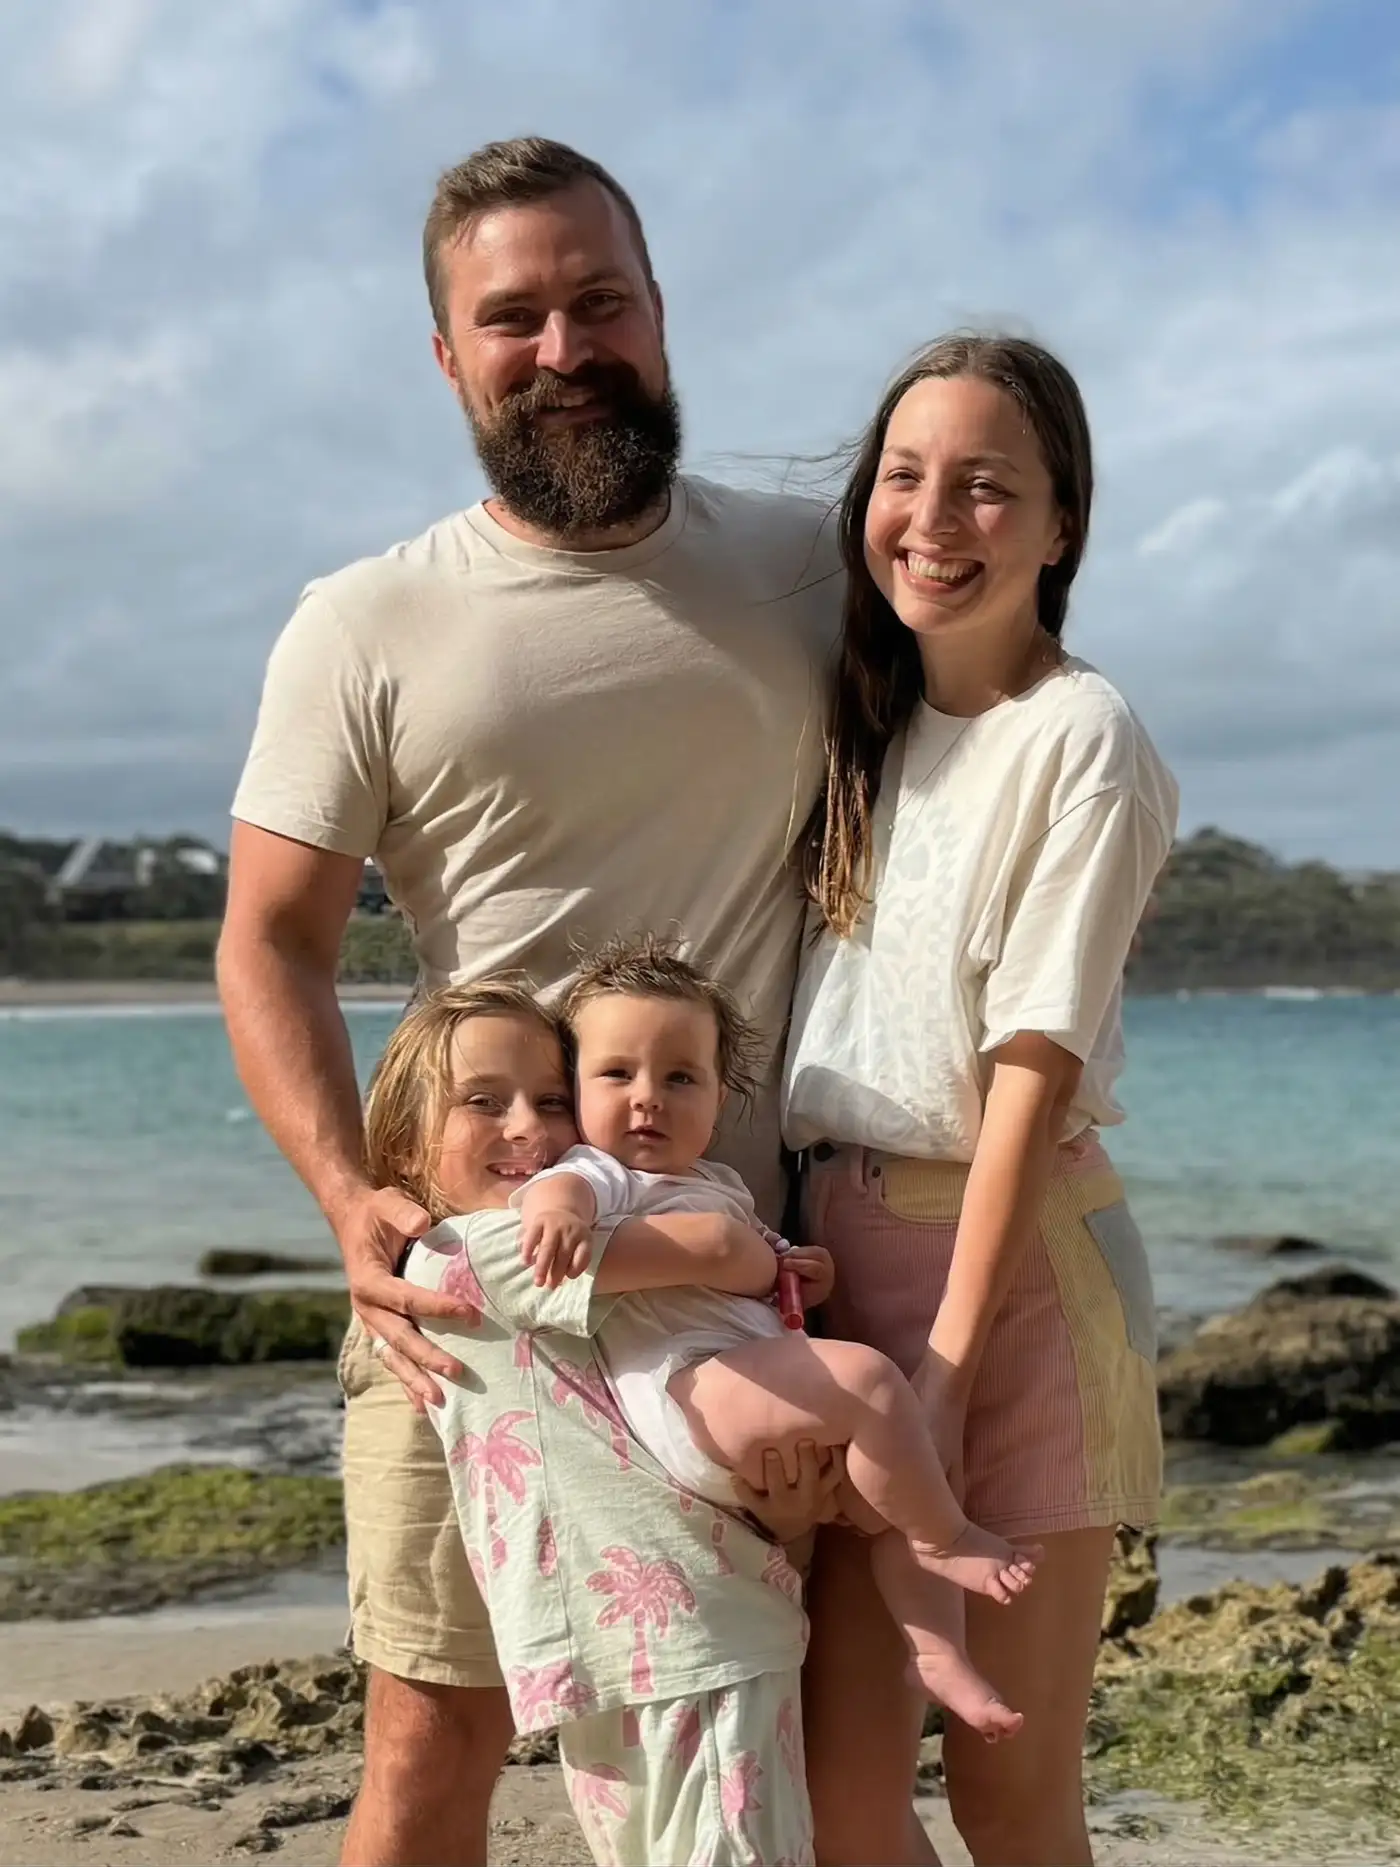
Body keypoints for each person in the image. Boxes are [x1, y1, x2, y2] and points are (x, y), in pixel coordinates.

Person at [217, 136, 844, 1867]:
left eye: (599, 301)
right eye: (514, 319)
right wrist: (350, 1199)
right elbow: (267, 937)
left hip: (729, 1274)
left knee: (747, 1742)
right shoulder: (365, 621)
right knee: (436, 1735)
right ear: (448, 355)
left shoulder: (815, 572)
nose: (563, 348)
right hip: (472, 1283)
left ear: (658, 311)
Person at [783, 333, 1177, 1866]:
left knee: (1011, 1791)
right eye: (904, 477)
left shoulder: (1080, 734)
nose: (934, 519)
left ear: (1062, 521)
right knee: (839, 1795)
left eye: (987, 487)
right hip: (834, 1268)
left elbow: (1033, 1067)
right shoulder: (865, 720)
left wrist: (939, 1366)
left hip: (1007, 1289)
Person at [516, 934, 1039, 1738]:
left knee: (892, 1484)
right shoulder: (601, 1172)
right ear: (574, 1089)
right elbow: (560, 1194)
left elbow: (761, 1270)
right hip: (687, 1388)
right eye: (617, 1074)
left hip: (744, 1385)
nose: (648, 1097)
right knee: (870, 1384)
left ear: (722, 1099)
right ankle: (951, 1536)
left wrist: (800, 1272)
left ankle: (937, 1652)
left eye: (680, 1077)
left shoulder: (717, 1182)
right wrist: (555, 1211)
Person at [362, 980, 815, 1867]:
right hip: (675, 1628)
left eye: (553, 1100)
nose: (528, 1126)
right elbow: (723, 1251)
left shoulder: (528, 1247)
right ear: (409, 1142)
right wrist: (760, 1259)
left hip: (642, 1634)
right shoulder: (482, 1253)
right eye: (482, 1102)